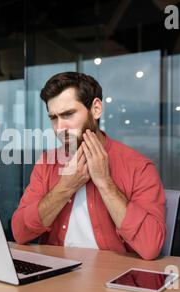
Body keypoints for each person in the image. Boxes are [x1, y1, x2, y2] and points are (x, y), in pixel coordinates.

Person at [11, 72, 166, 260]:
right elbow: (20, 232)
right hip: (55, 276)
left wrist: (104, 183)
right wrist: (65, 187)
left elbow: (150, 247)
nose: (59, 127)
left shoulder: (138, 167)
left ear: (96, 109)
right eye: (53, 117)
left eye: (68, 114)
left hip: (110, 278)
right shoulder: (46, 163)